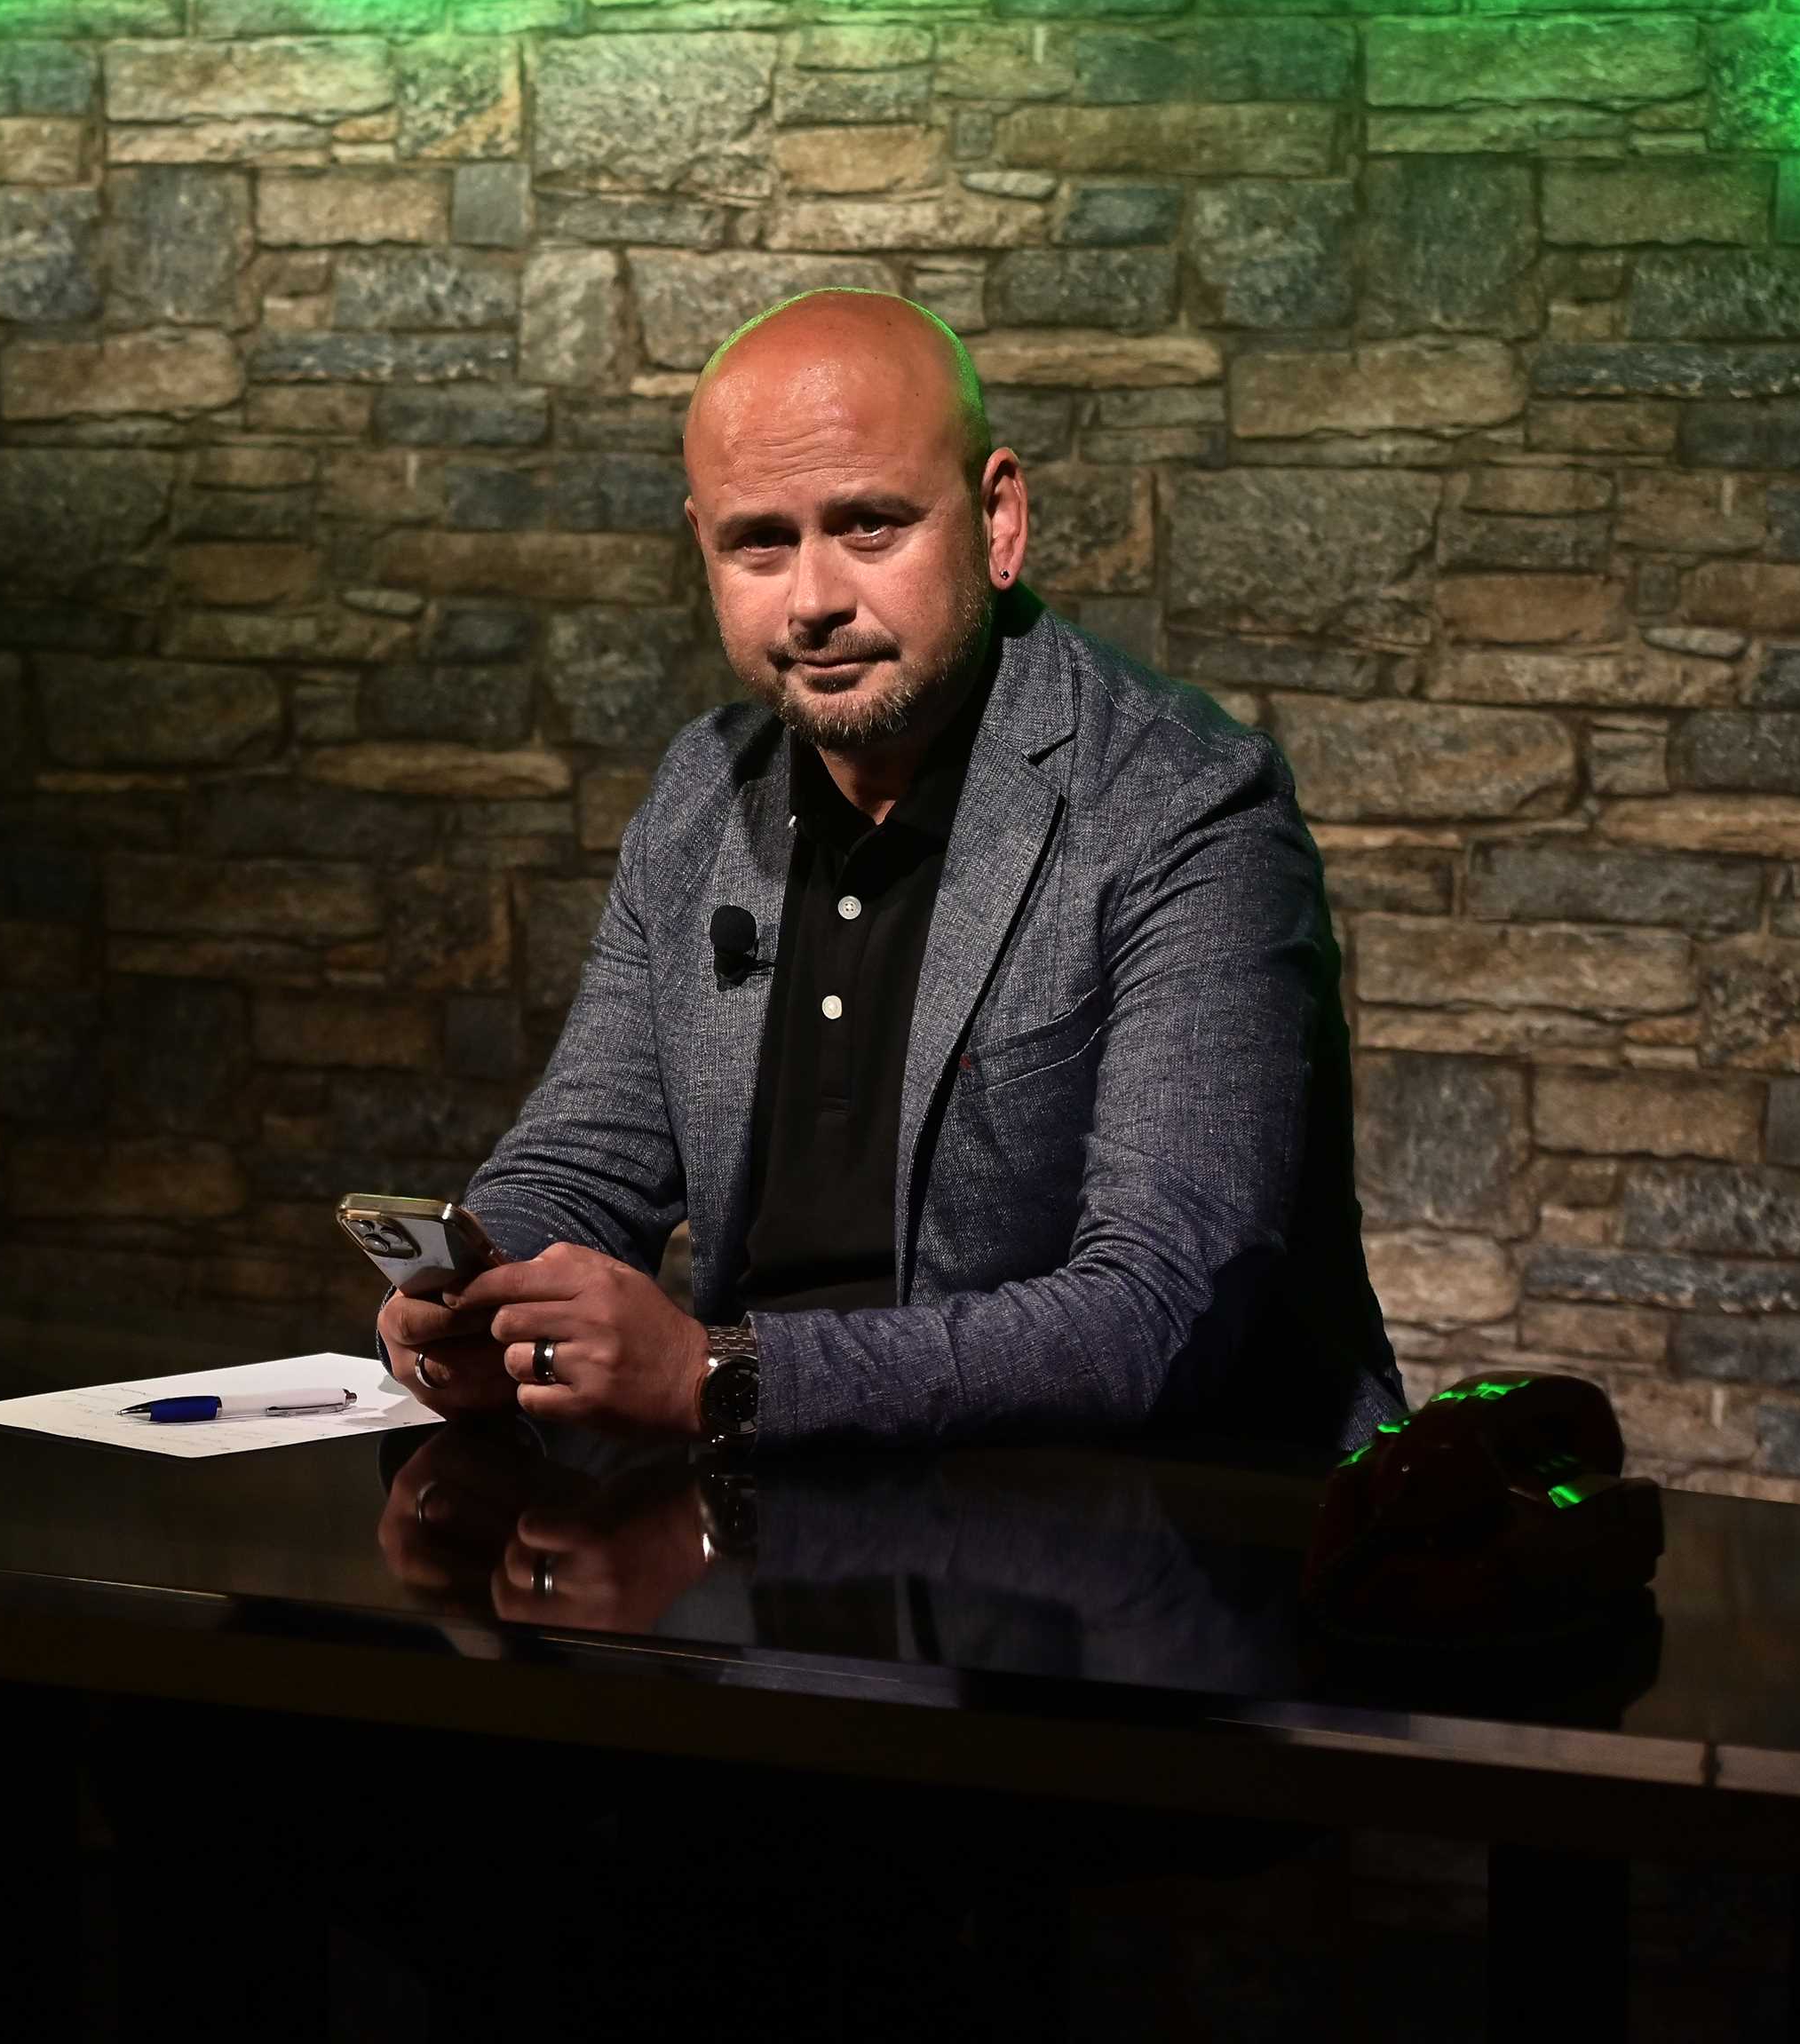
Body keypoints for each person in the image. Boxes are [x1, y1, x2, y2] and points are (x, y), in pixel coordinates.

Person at [379, 289, 1402, 1460]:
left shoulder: (1186, 801)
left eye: (869, 527)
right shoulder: (702, 790)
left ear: (998, 521)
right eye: (760, 542)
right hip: (775, 1507)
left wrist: (718, 1377)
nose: (814, 600)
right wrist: (472, 1296)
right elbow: (581, 1162)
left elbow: (1161, 1314)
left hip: (1155, 1526)